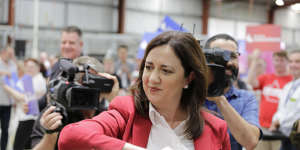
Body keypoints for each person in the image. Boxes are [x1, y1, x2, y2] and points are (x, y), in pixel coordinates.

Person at [58, 31, 230, 150]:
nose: (152, 78)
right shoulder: (126, 112)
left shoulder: (216, 128)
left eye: (166, 71)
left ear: (188, 78)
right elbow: (70, 136)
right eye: (148, 67)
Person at [31, 56, 119, 150]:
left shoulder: (107, 115)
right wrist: (50, 135)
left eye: (94, 81)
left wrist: (114, 101)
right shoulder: (56, 112)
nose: (88, 87)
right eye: (83, 80)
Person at [204, 34, 261, 150]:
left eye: (233, 56)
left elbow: (250, 142)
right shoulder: (186, 94)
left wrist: (219, 98)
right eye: (221, 56)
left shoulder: (246, 99)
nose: (229, 62)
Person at [30, 25, 84, 149]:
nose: (66, 46)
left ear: (80, 44)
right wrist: (32, 105)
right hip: (54, 121)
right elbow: (51, 92)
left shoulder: (88, 68)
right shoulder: (57, 66)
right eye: (64, 42)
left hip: (78, 127)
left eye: (71, 43)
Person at [247, 50, 292, 150]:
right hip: (262, 127)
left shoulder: (292, 81)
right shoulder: (267, 77)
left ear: (287, 62)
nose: (278, 63)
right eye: (276, 60)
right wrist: (254, 61)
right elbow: (251, 82)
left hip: (281, 129)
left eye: (282, 60)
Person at [2, 58, 47, 150]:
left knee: (19, 146)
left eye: (32, 67)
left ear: (38, 68)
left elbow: (24, 99)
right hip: (24, 117)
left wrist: (6, 88)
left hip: (29, 119)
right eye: (27, 66)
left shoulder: (37, 79)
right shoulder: (28, 78)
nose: (29, 69)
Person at [270, 50, 300, 150]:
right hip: (286, 138)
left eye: (297, 62)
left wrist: (279, 122)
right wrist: (276, 120)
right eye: (291, 61)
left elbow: (296, 115)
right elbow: (281, 110)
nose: (293, 65)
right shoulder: (288, 86)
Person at [0, 45, 17, 150]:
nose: (11, 56)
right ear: (3, 52)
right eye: (9, 54)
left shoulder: (13, 65)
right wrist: (5, 73)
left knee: (5, 129)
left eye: (12, 54)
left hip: (7, 103)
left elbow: (14, 82)